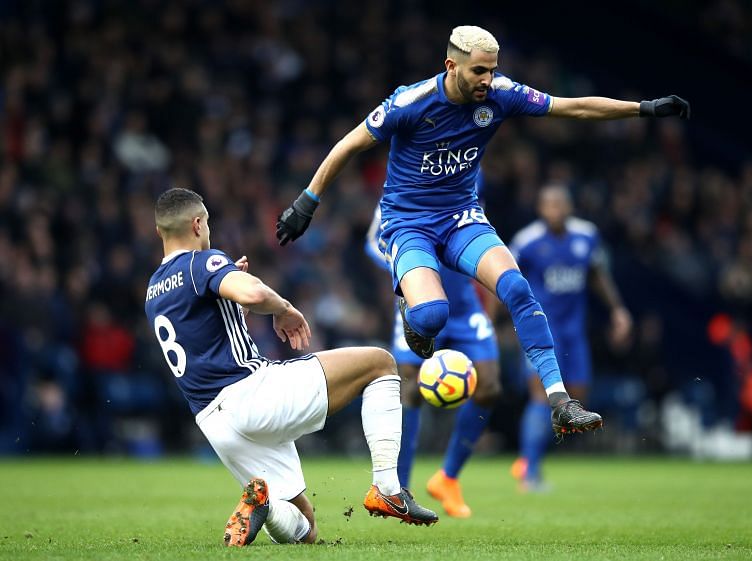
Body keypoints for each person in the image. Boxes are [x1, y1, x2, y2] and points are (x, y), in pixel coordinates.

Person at [276, 25, 689, 436]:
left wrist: (644, 108)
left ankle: (560, 401)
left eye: (492, 70)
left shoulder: (501, 95)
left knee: (516, 288)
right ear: (451, 65)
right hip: (409, 225)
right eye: (478, 71)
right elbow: (348, 144)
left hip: (461, 218)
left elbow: (573, 107)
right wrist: (306, 203)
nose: (487, 80)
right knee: (433, 315)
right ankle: (412, 311)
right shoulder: (411, 101)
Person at [144, 188, 438, 548]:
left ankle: (264, 505)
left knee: (305, 531)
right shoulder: (200, 262)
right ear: (198, 223)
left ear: (160, 232)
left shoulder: (154, 290)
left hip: (215, 422)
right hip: (251, 394)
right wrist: (283, 308)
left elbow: (207, 334)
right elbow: (252, 293)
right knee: (380, 364)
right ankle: (388, 489)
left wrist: (233, 306)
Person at [365, 204, 500, 518]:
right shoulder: (396, 196)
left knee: (489, 386)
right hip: (417, 301)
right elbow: (372, 243)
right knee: (409, 388)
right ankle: (398, 489)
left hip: (465, 308)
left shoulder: (463, 189)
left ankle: (447, 478)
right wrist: (406, 266)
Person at [508, 185, 632, 490]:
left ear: (569, 206)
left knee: (575, 401)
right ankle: (530, 471)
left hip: (574, 332)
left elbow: (597, 275)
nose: (555, 210)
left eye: (560, 204)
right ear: (540, 208)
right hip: (541, 332)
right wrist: (501, 321)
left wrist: (617, 310)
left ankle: (529, 459)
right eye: (549, 205)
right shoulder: (526, 242)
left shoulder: (587, 236)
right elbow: (505, 282)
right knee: (542, 396)